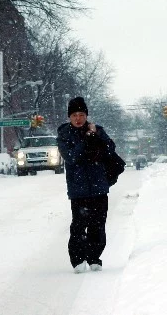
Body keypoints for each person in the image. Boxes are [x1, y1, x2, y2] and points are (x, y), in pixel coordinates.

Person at [57, 96, 115, 273]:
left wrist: (95, 135)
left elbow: (110, 149)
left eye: (81, 114)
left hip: (99, 187)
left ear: (86, 115)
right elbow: (71, 157)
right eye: (74, 115)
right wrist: (86, 139)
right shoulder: (64, 135)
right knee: (79, 225)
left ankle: (94, 258)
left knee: (98, 224)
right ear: (69, 117)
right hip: (78, 190)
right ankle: (78, 260)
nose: (78, 118)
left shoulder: (98, 130)